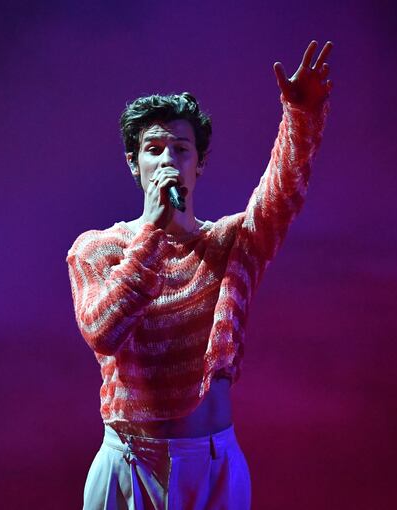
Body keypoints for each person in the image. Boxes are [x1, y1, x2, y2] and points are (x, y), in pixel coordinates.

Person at [66, 40, 333, 509]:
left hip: (212, 465)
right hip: (130, 468)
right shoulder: (96, 249)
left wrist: (300, 115)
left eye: (181, 148)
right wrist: (150, 231)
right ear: (134, 163)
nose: (168, 158)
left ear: (199, 163)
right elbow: (103, 331)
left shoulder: (230, 243)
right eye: (153, 149)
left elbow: (282, 192)